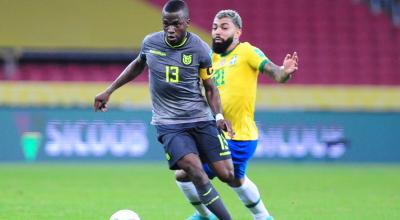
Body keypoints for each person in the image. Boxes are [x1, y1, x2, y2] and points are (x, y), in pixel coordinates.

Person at [94, 1, 236, 220]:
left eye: (176, 24)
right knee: (197, 173)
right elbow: (138, 64)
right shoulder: (151, 43)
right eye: (166, 24)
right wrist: (109, 90)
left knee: (227, 174)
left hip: (200, 119)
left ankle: (187, 170)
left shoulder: (199, 49)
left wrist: (218, 116)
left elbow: (210, 87)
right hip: (169, 125)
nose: (170, 29)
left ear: (187, 23)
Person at [175, 10, 299, 220]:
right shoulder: (210, 59)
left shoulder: (247, 52)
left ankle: (206, 215)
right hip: (217, 134)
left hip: (239, 136)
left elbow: (275, 73)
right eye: (215, 27)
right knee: (234, 180)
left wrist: (284, 72)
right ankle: (262, 218)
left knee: (187, 173)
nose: (217, 32)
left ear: (238, 32)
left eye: (224, 27)